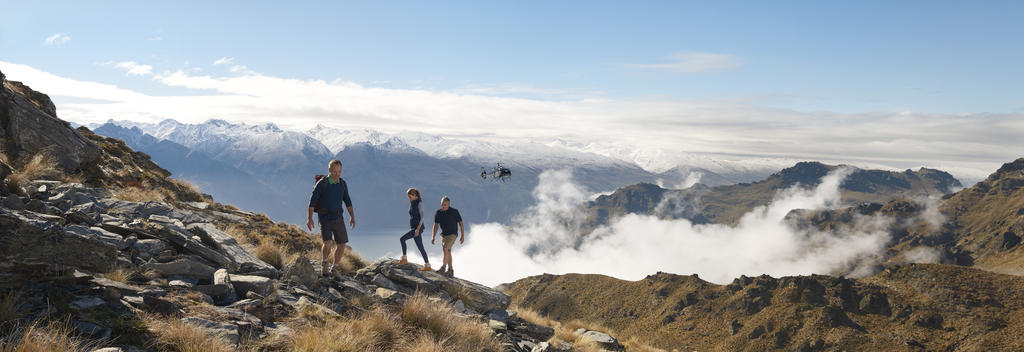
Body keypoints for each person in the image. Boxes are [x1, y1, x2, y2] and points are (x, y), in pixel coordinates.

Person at [307, 159, 355, 276]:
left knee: (342, 244)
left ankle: (335, 267)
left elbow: (347, 201)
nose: (337, 174)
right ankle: (324, 262)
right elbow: (312, 202)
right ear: (329, 170)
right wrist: (310, 219)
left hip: (338, 218)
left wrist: (352, 217)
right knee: (328, 242)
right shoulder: (322, 184)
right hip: (325, 218)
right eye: (334, 172)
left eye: (339, 172)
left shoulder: (342, 184)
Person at [397, 188, 432, 271]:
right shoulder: (412, 203)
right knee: (420, 247)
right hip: (414, 227)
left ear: (414, 195)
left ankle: (404, 258)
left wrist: (417, 229)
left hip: (418, 228)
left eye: (410, 196)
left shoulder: (419, 203)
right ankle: (427, 265)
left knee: (402, 239)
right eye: (408, 197)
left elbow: (422, 217)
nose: (409, 198)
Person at [431, 196, 464, 277]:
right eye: (442, 204)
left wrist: (462, 235)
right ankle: (450, 270)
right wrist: (433, 236)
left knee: (446, 248)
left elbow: (461, 223)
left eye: (445, 205)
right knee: (447, 251)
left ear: (449, 204)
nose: (443, 206)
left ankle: (443, 268)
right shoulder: (438, 212)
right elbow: (435, 225)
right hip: (444, 235)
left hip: (453, 234)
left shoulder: (454, 212)